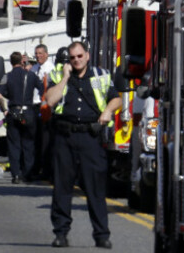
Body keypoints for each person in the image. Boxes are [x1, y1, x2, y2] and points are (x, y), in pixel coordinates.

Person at [45, 41, 122, 249]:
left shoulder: (101, 75)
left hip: (90, 138)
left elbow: (116, 99)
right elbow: (50, 101)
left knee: (95, 189)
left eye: (80, 56)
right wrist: (66, 78)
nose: (76, 60)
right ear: (68, 60)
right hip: (65, 137)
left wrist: (107, 111)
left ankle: (101, 235)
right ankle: (60, 233)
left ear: (87, 56)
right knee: (62, 188)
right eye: (72, 58)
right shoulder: (57, 76)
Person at [0, 51, 43, 184]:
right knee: (28, 144)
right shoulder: (31, 75)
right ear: (22, 62)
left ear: (11, 62)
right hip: (28, 112)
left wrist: (4, 109)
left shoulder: (7, 76)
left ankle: (15, 175)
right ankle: (27, 173)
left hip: (13, 112)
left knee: (14, 145)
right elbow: (42, 89)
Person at [30, 44, 55, 181]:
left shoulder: (50, 69)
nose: (38, 56)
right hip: (34, 106)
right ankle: (36, 168)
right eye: (36, 53)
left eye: (40, 53)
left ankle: (45, 170)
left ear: (46, 54)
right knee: (36, 140)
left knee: (45, 141)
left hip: (44, 108)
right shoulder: (34, 69)